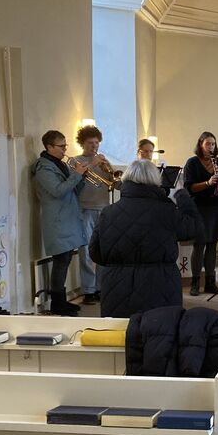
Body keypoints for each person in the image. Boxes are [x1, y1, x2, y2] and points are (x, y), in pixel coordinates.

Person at [89, 159, 200, 317]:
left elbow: (95, 253)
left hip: (117, 287)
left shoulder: (108, 212)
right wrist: (182, 195)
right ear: (155, 181)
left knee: (121, 336)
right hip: (160, 285)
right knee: (160, 335)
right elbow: (193, 229)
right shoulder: (167, 210)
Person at [31, 129, 95, 316]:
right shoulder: (44, 168)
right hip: (57, 220)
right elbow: (58, 191)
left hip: (67, 217)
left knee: (65, 259)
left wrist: (82, 177)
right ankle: (57, 304)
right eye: (61, 146)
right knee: (60, 261)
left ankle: (61, 301)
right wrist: (75, 174)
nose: (64, 150)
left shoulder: (59, 164)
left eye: (65, 146)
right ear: (49, 147)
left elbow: (73, 191)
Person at [183, 131, 218, 296]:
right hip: (200, 208)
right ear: (200, 144)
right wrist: (208, 182)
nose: (211, 147)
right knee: (199, 244)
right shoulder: (192, 163)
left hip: (216, 206)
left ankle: (210, 282)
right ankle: (195, 283)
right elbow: (189, 187)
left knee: (212, 245)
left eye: (213, 144)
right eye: (208, 144)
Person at [73, 125, 112, 305]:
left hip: (104, 209)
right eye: (90, 143)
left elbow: (115, 184)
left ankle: (101, 288)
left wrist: (109, 172)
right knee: (87, 251)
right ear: (82, 143)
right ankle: (88, 290)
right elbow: (74, 180)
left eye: (97, 143)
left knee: (103, 251)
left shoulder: (103, 161)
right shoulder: (75, 160)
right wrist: (93, 163)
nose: (94, 146)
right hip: (85, 209)